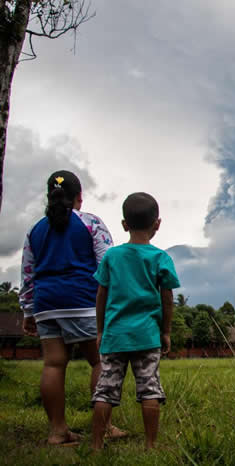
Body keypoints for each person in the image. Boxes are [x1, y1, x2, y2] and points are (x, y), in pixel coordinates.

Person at [19, 170, 124, 445]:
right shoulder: (91, 223)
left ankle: (58, 431)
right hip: (84, 303)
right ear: (79, 197)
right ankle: (104, 427)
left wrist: (28, 310)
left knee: (53, 364)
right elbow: (106, 264)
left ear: (49, 196)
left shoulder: (35, 230)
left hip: (46, 304)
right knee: (100, 361)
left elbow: (28, 273)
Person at [91, 192, 180, 450]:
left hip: (115, 335)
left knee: (105, 391)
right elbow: (167, 300)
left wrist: (100, 331)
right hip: (147, 335)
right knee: (150, 390)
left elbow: (101, 297)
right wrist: (165, 332)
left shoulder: (111, 256)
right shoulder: (160, 258)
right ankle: (151, 445)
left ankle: (96, 445)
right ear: (157, 224)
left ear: (124, 224)